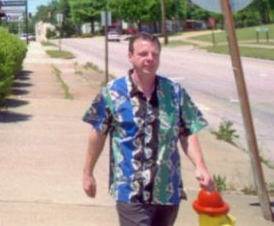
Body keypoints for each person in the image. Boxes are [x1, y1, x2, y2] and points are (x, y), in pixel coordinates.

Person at [82, 32, 214, 226]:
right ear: (130, 56)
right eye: (143, 54)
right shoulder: (112, 93)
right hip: (130, 191)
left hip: (167, 191)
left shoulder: (174, 92)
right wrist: (88, 173)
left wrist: (200, 166)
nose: (150, 58)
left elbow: (187, 131)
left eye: (155, 54)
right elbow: (98, 134)